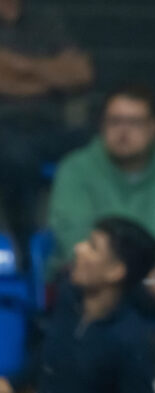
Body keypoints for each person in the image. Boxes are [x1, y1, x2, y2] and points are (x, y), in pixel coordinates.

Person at [48, 83, 155, 312]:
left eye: (134, 122)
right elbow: (76, 245)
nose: (123, 132)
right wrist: (143, 276)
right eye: (115, 121)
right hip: (92, 286)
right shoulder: (76, 169)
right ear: (102, 125)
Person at [0, 217, 155, 393]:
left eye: (92, 247)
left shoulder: (128, 341)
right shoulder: (68, 301)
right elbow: (50, 351)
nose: (78, 248)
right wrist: (11, 384)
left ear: (116, 271)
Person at [0, 0, 93, 265]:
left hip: (49, 128)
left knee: (96, 150)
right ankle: (28, 251)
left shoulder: (45, 19)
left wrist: (19, 67)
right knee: (16, 158)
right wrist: (49, 73)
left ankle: (85, 249)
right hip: (4, 129)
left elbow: (80, 73)